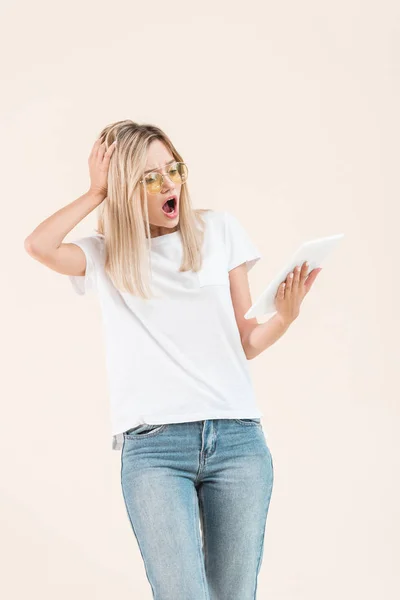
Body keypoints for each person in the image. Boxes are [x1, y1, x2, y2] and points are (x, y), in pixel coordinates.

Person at [24, 120, 321, 599]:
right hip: (154, 451)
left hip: (237, 441)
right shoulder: (105, 254)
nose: (169, 185)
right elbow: (38, 246)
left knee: (234, 595)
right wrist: (97, 190)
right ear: (124, 189)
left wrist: (284, 318)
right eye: (148, 178)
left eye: (173, 169)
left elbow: (245, 340)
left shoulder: (218, 231)